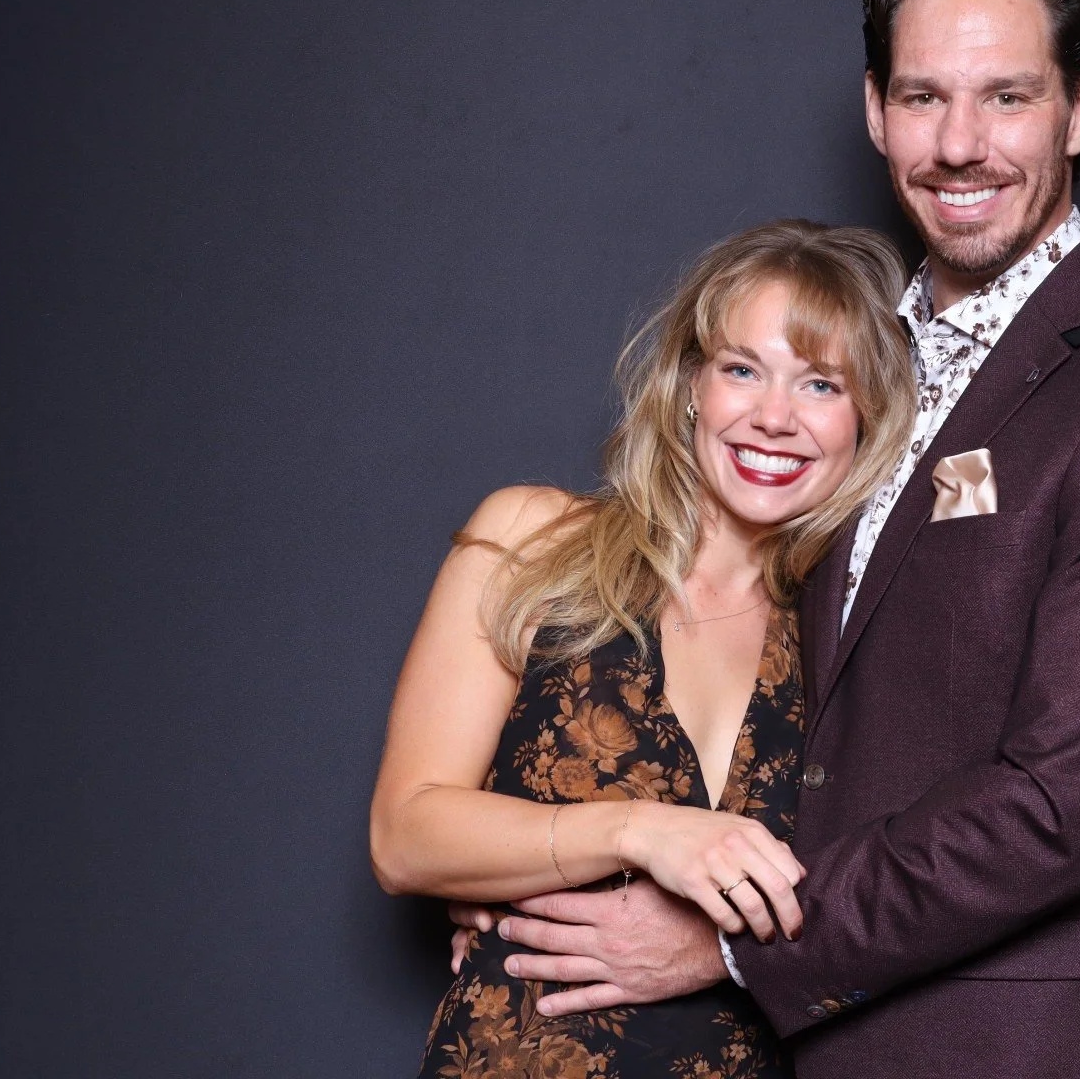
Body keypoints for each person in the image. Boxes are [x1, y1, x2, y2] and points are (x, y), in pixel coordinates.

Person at [472, 0, 1080, 1079]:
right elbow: (753, 676)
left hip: (1023, 1045)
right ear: (873, 111)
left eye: (1007, 97)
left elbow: (1062, 804)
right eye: (921, 97)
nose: (960, 144)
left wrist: (727, 945)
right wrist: (552, 900)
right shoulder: (853, 378)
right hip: (816, 1040)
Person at [369, 219, 915, 1077]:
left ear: (868, 418)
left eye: (821, 385)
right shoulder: (533, 539)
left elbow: (902, 892)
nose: (773, 418)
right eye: (742, 370)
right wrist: (641, 833)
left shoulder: (847, 634)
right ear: (692, 384)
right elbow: (405, 837)